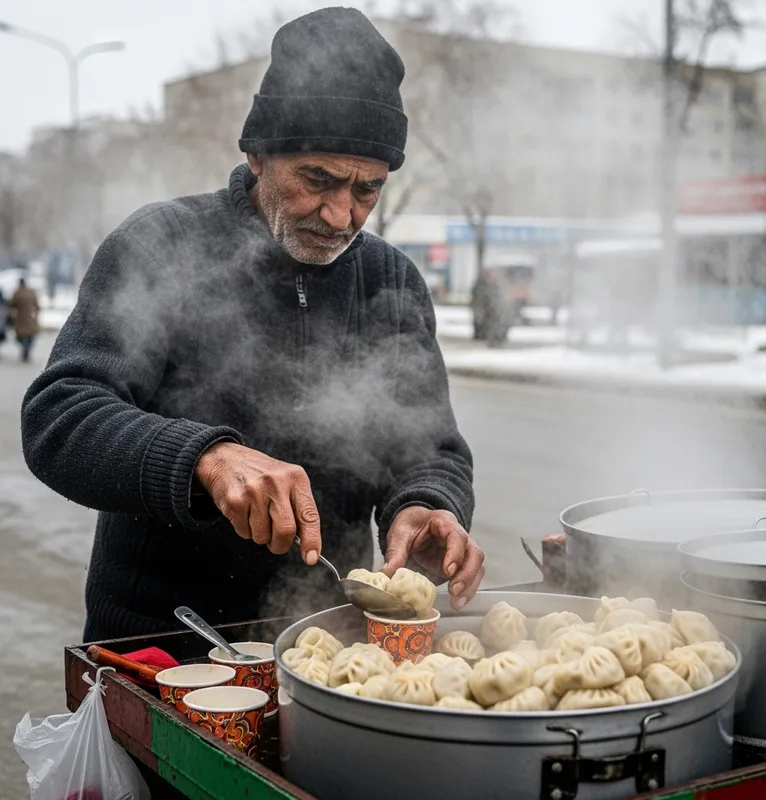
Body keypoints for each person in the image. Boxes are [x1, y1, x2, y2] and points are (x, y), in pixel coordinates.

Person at [20, 7, 484, 642]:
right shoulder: (160, 244)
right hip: (161, 649)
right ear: (259, 154)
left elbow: (430, 447)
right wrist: (203, 458)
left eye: (366, 190)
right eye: (318, 179)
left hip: (329, 643)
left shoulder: (391, 280)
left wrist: (428, 505)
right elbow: (60, 418)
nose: (342, 215)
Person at [8, 277, 39, 362]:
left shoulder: (17, 292)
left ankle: (25, 349)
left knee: (20, 336)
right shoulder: (32, 292)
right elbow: (37, 305)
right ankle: (27, 350)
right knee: (31, 336)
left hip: (21, 318)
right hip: (31, 317)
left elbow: (12, 304)